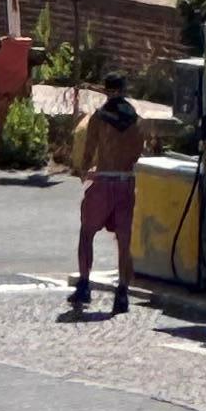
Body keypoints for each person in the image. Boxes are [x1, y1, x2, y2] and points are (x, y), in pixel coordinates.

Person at [66, 70, 146, 315]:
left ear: (107, 91)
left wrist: (82, 171)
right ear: (124, 90)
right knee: (124, 242)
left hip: (104, 181)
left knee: (87, 232)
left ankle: (84, 284)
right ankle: (122, 293)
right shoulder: (137, 121)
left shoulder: (99, 118)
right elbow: (137, 153)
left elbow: (88, 152)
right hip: (126, 184)